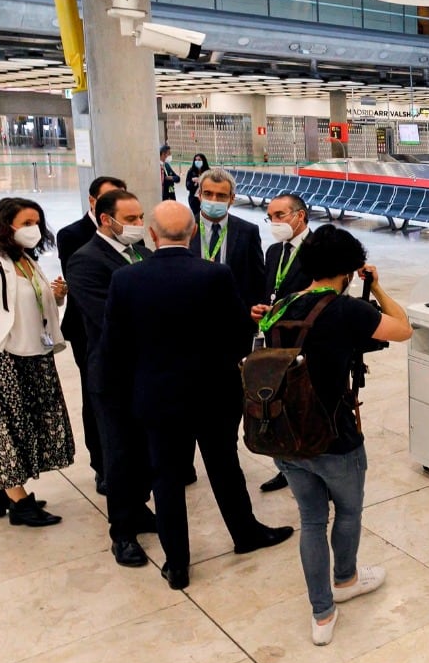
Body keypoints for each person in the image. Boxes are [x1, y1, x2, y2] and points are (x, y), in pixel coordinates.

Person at [102, 202, 293, 590]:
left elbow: (114, 346)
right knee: (224, 467)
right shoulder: (215, 274)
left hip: (157, 396)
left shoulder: (126, 279)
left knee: (167, 479)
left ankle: (178, 564)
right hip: (213, 394)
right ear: (192, 235)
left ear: (153, 236)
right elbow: (240, 331)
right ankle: (245, 534)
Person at [262, 225, 412, 646]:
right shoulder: (346, 311)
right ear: (348, 269)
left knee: (311, 520)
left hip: (286, 433)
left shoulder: (280, 306)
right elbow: (403, 328)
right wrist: (377, 288)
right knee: (347, 512)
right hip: (333, 436)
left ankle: (322, 614)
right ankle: (345, 579)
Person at [65, 189, 157, 566]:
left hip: (148, 371)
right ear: (107, 220)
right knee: (119, 452)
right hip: (114, 372)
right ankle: (122, 532)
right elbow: (108, 318)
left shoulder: (142, 254)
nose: (138, 225)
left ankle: (139, 508)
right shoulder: (86, 260)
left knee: (144, 449)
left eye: (140, 217)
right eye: (131, 219)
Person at [0, 197, 73, 527]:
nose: (33, 229)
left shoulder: (27, 261)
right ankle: (19, 503)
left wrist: (58, 296)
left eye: (36, 222)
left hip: (35, 352)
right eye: (25, 223)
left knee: (31, 421)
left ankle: (5, 488)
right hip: (5, 356)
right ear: (4, 226)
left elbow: (34, 305)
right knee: (7, 426)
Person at [55, 174, 126, 495]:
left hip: (124, 327)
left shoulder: (126, 232)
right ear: (94, 202)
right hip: (87, 326)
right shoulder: (73, 236)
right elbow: (84, 283)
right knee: (94, 395)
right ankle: (101, 464)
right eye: (109, 198)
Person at [251, 192, 313, 495]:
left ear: (299, 216)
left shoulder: (319, 250)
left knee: (305, 406)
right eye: (270, 216)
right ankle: (286, 467)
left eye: (279, 215)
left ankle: (313, 467)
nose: (274, 222)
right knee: (277, 404)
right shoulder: (274, 251)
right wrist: (261, 308)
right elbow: (270, 292)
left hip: (306, 341)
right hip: (274, 340)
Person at [189, 167, 265, 347]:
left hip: (235, 324)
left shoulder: (248, 231)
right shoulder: (184, 228)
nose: (213, 200)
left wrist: (253, 314)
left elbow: (258, 277)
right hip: (192, 320)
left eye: (221, 195)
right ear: (199, 195)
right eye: (208, 193)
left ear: (231, 199)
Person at [185, 153, 209, 217]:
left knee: (206, 216)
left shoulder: (208, 172)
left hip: (205, 198)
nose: (197, 161)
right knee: (197, 216)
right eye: (196, 160)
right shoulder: (191, 171)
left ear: (203, 160)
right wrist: (193, 182)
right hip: (194, 199)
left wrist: (201, 180)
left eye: (199, 160)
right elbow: (187, 186)